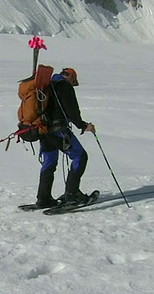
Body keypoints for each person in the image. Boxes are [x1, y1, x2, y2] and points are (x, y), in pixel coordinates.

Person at [34, 67, 96, 208]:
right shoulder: (64, 87)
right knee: (80, 156)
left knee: (49, 161)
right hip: (59, 130)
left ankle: (43, 198)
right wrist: (83, 125)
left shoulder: (45, 85)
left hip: (43, 131)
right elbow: (72, 110)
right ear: (70, 77)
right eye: (73, 81)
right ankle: (72, 194)